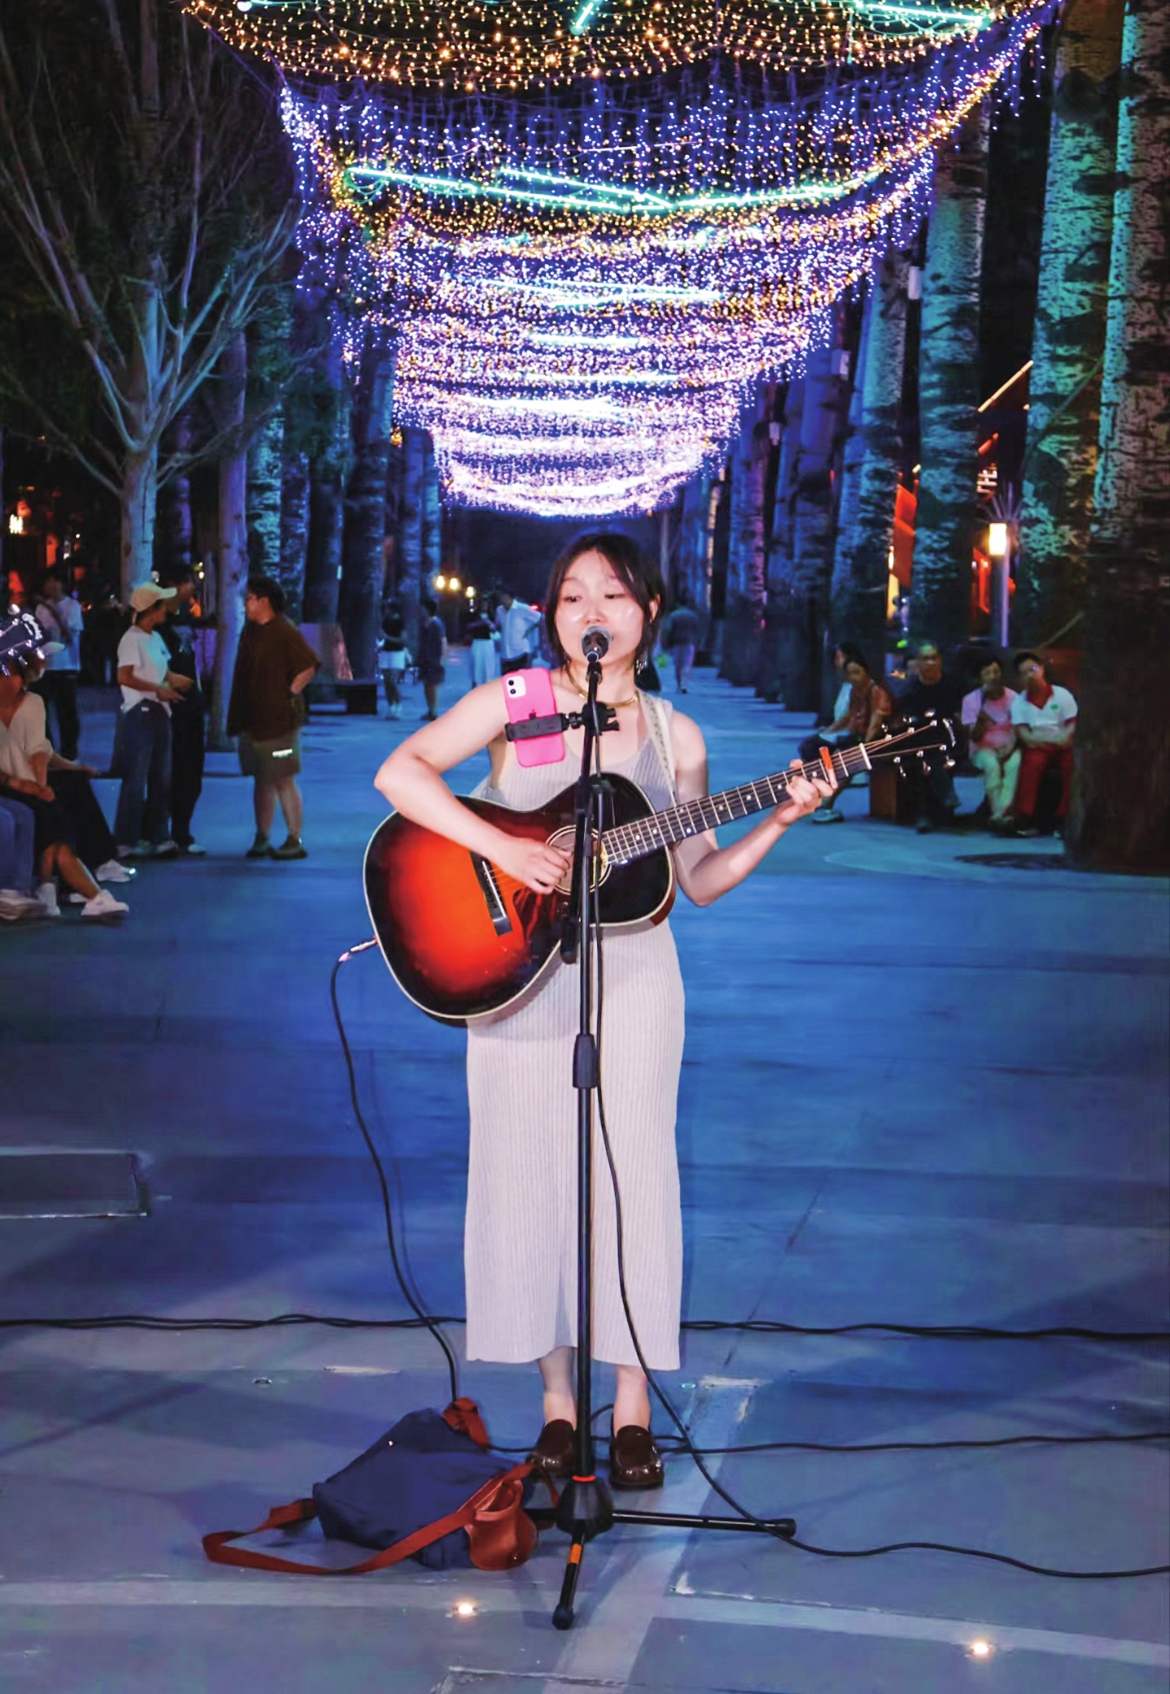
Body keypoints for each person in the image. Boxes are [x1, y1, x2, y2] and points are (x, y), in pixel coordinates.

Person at [375, 532, 833, 1493]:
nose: (592, 611)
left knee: (632, 1179)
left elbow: (696, 879)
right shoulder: (518, 701)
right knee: (529, 1173)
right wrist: (499, 850)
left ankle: (629, 1410)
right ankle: (554, 1407)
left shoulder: (678, 737)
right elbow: (403, 775)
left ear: (648, 612)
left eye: (614, 595)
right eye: (573, 595)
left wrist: (783, 816)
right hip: (517, 978)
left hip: (633, 979)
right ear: (552, 616)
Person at [0, 655, 129, 918]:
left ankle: (75, 883)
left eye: (14, 676)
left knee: (65, 795)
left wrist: (43, 783)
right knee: (52, 812)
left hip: (27, 781)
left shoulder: (32, 702)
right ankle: (80, 889)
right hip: (10, 784)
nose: (9, 682)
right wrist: (29, 787)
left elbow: (40, 752)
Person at [227, 575, 318, 860]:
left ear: (263, 600)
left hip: (279, 721)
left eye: (250, 598)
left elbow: (308, 665)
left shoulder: (284, 631)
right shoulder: (251, 631)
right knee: (262, 778)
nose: (246, 603)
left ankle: (294, 837)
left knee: (283, 777)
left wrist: (289, 693)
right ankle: (262, 835)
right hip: (254, 720)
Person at [115, 582, 193, 860]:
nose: (167, 610)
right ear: (153, 609)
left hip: (160, 711)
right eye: (162, 604)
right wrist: (157, 688)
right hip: (141, 711)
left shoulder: (155, 638)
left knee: (161, 777)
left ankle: (159, 836)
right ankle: (125, 839)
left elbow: (164, 669)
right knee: (136, 778)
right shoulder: (131, 638)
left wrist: (174, 680)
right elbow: (124, 676)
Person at [798, 649, 893, 823]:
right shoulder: (855, 692)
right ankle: (820, 788)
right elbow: (848, 717)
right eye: (850, 674)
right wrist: (828, 732)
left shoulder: (876, 692)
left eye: (857, 672)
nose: (854, 677)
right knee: (811, 746)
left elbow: (875, 722)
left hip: (876, 740)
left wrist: (865, 744)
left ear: (866, 672)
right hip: (854, 736)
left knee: (845, 760)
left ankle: (827, 802)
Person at [895, 639, 964, 832]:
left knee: (933, 752)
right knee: (926, 752)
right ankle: (944, 799)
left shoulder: (952, 684)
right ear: (918, 662)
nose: (931, 663)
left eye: (934, 658)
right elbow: (908, 718)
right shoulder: (911, 689)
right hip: (920, 738)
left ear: (940, 660)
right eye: (926, 658)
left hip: (948, 735)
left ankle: (926, 813)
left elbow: (958, 715)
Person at [161, 570, 206, 855]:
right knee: (176, 770)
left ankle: (181, 830)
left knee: (190, 770)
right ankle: (171, 831)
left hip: (191, 701)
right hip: (173, 703)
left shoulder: (187, 616)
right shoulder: (160, 625)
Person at [1010, 652, 1077, 836]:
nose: (1030, 675)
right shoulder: (1019, 703)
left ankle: (1063, 818)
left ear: (1042, 669)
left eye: (1033, 669)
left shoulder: (1062, 695)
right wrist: (1048, 740)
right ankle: (1026, 817)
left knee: (1071, 768)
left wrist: (1061, 739)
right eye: (1024, 673)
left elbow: (1072, 725)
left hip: (1063, 744)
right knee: (1031, 766)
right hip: (1038, 746)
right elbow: (1025, 736)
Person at [961, 657, 1019, 831]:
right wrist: (980, 719)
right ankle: (1000, 814)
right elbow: (974, 737)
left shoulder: (1014, 697)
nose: (993, 677)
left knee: (1015, 765)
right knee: (992, 766)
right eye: (988, 673)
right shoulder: (972, 700)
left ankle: (1000, 814)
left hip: (1010, 746)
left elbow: (1018, 729)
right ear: (980, 678)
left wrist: (1010, 750)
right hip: (983, 749)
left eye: (996, 672)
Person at [32, 573, 84, 759]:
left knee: (67, 712)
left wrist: (50, 608)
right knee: (41, 711)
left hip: (66, 665)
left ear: (60, 583)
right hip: (46, 666)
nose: (48, 585)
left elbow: (69, 635)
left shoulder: (72, 606)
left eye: (51, 581)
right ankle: (50, 751)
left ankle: (70, 753)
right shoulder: (40, 608)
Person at [657, 589, 702, 693]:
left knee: (678, 665)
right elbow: (698, 630)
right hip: (690, 643)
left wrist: (665, 643)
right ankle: (684, 684)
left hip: (677, 643)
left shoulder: (674, 615)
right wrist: (698, 642)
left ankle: (679, 684)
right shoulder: (693, 616)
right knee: (687, 664)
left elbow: (667, 630)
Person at [495, 587, 543, 675]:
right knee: (508, 683)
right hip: (505, 653)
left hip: (520, 652)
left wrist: (529, 630)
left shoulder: (522, 608)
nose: (501, 598)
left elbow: (540, 618)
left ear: (509, 597)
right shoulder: (499, 610)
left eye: (502, 596)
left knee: (522, 682)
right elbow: (499, 625)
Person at [378, 601, 409, 717]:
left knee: (392, 681)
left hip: (397, 652)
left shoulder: (400, 622)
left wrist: (387, 637)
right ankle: (390, 706)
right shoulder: (385, 621)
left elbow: (403, 640)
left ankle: (398, 704)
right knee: (386, 682)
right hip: (386, 651)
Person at [417, 596, 446, 721]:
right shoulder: (424, 624)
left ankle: (434, 711)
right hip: (425, 658)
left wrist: (442, 659)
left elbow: (443, 641)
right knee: (426, 684)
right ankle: (429, 709)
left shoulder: (437, 624)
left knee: (433, 685)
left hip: (434, 658)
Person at [466, 608, 501, 688]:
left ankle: (487, 687)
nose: (484, 605)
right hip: (477, 642)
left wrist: (488, 623)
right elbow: (468, 626)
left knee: (488, 667)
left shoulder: (492, 615)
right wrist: (479, 623)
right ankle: (476, 686)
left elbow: (495, 628)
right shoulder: (473, 613)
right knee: (476, 667)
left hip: (488, 643)